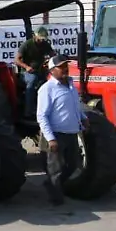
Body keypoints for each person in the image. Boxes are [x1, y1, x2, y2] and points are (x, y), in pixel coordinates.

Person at [36, 55, 88, 206]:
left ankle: (52, 185)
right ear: (52, 70)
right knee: (56, 169)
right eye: (61, 67)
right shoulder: (47, 89)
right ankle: (56, 199)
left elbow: (75, 106)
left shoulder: (71, 86)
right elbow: (42, 116)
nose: (65, 69)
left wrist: (83, 117)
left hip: (71, 133)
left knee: (73, 165)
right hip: (56, 134)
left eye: (66, 66)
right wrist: (50, 138)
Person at [15, 26, 57, 114]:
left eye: (43, 39)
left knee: (53, 81)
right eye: (40, 38)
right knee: (32, 81)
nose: (42, 40)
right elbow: (17, 60)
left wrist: (55, 59)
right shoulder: (27, 44)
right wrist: (26, 67)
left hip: (41, 70)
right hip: (27, 72)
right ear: (35, 36)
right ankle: (29, 111)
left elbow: (53, 55)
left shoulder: (45, 44)